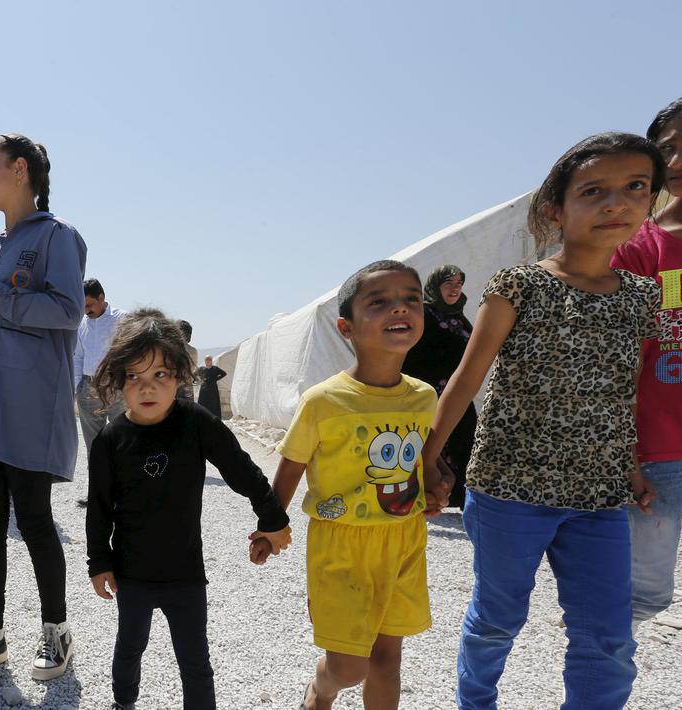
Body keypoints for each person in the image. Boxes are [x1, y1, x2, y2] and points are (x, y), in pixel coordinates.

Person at [422, 133, 663, 709]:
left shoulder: (639, 296)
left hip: (600, 496)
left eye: (635, 188)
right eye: (594, 191)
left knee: (606, 638)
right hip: (511, 487)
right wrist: (426, 458)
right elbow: (466, 378)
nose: (616, 203)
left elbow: (620, 389)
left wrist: (630, 467)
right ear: (556, 209)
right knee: (498, 620)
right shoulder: (520, 285)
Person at [250, 260, 451, 710]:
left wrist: (435, 488)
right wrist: (270, 525)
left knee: (386, 659)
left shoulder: (423, 396)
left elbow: (420, 459)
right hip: (341, 547)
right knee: (347, 667)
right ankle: (319, 692)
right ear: (347, 327)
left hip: (404, 540)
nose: (399, 308)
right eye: (378, 302)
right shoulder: (324, 400)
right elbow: (292, 464)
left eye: (410, 299)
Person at [86, 309, 290, 710]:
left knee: (195, 662)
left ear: (180, 376)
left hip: (186, 576)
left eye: (160, 375)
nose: (148, 388)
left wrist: (272, 518)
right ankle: (123, 703)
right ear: (118, 381)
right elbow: (99, 508)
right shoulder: (110, 440)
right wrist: (99, 561)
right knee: (130, 648)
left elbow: (241, 468)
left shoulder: (195, 422)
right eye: (134, 377)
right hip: (132, 575)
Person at [0, 133, 86, 683]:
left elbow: (68, 312)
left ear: (21, 170)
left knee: (32, 518)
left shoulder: (58, 237)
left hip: (29, 405)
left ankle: (57, 629)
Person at [614, 98, 682, 634]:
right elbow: (618, 356)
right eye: (668, 149)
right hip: (663, 451)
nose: (679, 159)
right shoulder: (640, 248)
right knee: (643, 597)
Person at [401, 264, 477, 509]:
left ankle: (456, 495)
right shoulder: (424, 314)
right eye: (449, 284)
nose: (455, 289)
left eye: (459, 284)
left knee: (465, 438)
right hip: (430, 392)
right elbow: (410, 352)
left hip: (459, 392)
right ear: (436, 286)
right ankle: (429, 493)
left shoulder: (459, 317)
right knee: (433, 441)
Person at [74, 278, 127, 458]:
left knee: (124, 438)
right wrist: (76, 388)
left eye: (89, 305)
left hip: (117, 386)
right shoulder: (81, 324)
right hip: (88, 389)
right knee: (94, 444)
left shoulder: (123, 320)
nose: (86, 310)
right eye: (82, 306)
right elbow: (78, 357)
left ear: (101, 297)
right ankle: (98, 482)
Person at [177, 320, 199, 401]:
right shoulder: (193, 351)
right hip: (187, 386)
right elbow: (194, 370)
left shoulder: (171, 349)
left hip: (172, 386)